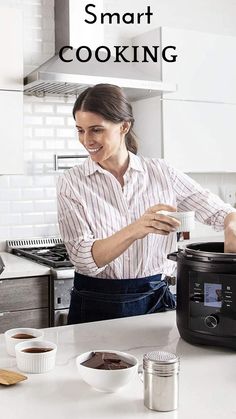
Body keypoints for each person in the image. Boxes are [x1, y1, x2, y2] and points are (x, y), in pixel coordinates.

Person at [56, 83, 236, 324]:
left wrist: (231, 222)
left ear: (124, 126)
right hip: (95, 303)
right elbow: (83, 259)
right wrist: (136, 229)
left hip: (155, 300)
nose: (86, 140)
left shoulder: (161, 172)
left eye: (96, 130)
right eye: (80, 130)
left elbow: (218, 211)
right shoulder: (72, 182)